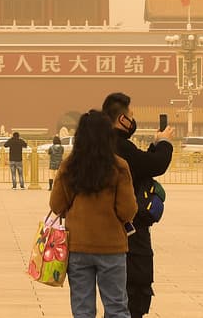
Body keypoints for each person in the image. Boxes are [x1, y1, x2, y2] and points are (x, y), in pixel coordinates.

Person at [49, 110, 138, 318]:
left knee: (82, 310)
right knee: (116, 308)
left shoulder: (69, 166)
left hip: (78, 247)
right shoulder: (119, 166)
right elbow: (127, 211)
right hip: (111, 248)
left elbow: (56, 205)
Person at [102, 92, 176, 318]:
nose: (133, 120)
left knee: (113, 296)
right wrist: (164, 143)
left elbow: (141, 165)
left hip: (103, 230)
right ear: (122, 119)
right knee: (135, 290)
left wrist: (154, 145)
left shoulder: (102, 144)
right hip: (130, 229)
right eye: (131, 115)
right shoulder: (120, 146)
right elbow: (154, 165)